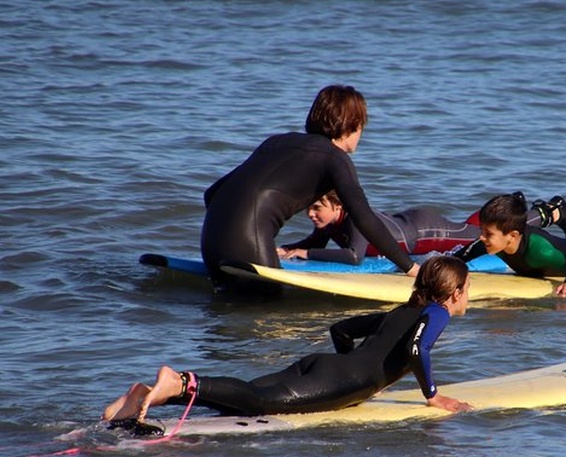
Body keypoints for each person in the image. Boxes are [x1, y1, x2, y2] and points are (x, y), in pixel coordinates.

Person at [102, 256, 473, 423]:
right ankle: (182, 380)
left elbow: (340, 330)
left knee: (244, 399)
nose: (468, 296)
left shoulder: (400, 312)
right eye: (468, 289)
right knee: (259, 404)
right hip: (343, 379)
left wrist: (351, 362)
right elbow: (416, 349)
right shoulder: (437, 312)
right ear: (453, 293)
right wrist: (433, 395)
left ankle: (154, 396)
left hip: (323, 366)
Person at [200, 85, 418, 294]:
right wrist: (410, 268)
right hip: (248, 238)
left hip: (210, 238)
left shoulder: (276, 142)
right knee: (265, 318)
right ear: (353, 125)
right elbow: (365, 219)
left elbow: (211, 193)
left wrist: (227, 237)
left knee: (226, 312)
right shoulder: (335, 158)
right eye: (362, 127)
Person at [277, 190, 482, 265]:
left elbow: (355, 257)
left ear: (337, 205)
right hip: (405, 220)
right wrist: (287, 248)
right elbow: (315, 243)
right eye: (309, 209)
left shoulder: (355, 218)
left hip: (426, 232)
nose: (310, 214)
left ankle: (508, 210)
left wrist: (306, 253)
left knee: (479, 234)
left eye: (317, 208)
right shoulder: (329, 221)